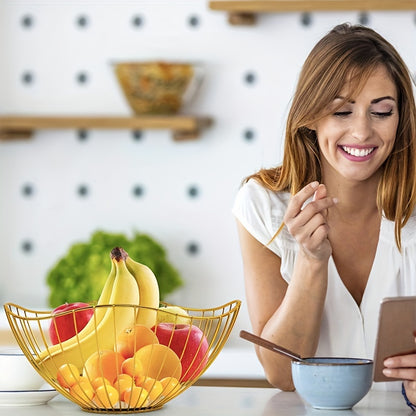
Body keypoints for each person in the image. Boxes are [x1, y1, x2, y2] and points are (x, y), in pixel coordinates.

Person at [232, 23, 416, 405]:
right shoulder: (263, 206)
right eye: (342, 111)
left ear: (401, 121)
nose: (362, 131)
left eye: (382, 111)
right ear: (311, 117)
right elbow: (282, 374)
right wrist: (311, 261)